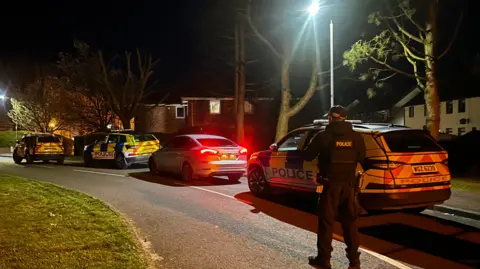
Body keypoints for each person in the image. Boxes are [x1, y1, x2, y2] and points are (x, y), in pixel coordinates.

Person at [303, 105, 366, 269]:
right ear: (345, 119)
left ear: (331, 118)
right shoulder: (357, 137)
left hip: (329, 185)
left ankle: (324, 260)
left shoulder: (323, 136)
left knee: (326, 223)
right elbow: (362, 157)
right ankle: (354, 262)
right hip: (349, 186)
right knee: (350, 224)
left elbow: (308, 156)